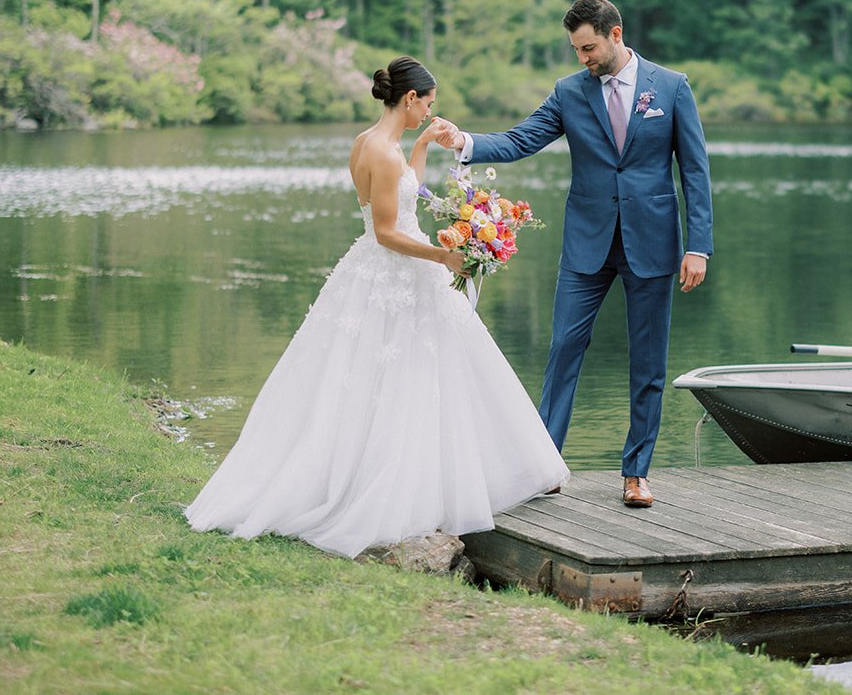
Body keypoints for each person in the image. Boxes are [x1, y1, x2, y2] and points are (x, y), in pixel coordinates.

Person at [185, 57, 567, 558]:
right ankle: (395, 487)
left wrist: (424, 146)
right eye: (428, 104)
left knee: (376, 374)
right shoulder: (382, 154)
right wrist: (444, 255)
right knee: (408, 376)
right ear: (410, 98)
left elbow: (400, 195)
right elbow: (388, 233)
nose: (430, 111)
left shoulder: (371, 143)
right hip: (395, 270)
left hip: (371, 271)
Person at [437, 0, 712, 509]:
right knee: (563, 349)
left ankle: (636, 474)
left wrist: (698, 246)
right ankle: (544, 467)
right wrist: (465, 141)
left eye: (588, 48)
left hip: (653, 244)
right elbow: (522, 140)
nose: (582, 58)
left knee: (648, 362)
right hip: (586, 243)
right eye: (576, 50)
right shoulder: (569, 92)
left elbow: (694, 172)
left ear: (615, 33)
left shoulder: (672, 88)